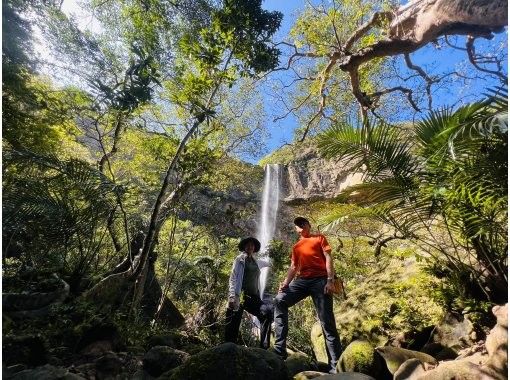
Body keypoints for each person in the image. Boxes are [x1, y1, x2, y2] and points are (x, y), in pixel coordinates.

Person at [273, 217, 343, 373]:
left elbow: (328, 258)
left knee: (327, 322)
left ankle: (335, 365)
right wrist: (285, 283)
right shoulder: (296, 246)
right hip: (303, 281)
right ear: (296, 229)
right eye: (297, 225)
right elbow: (293, 267)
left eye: (303, 223)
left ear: (309, 225)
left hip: (320, 280)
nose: (300, 226)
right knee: (279, 300)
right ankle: (279, 349)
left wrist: (330, 280)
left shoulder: (319, 238)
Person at [225, 237, 273, 349]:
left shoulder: (256, 261)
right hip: (240, 296)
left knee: (266, 314)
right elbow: (233, 277)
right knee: (233, 322)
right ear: (244, 247)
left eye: (252, 245)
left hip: (253, 297)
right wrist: (232, 296)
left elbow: (269, 262)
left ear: (254, 248)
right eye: (248, 245)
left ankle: (264, 346)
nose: (250, 247)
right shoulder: (239, 260)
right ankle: (228, 348)